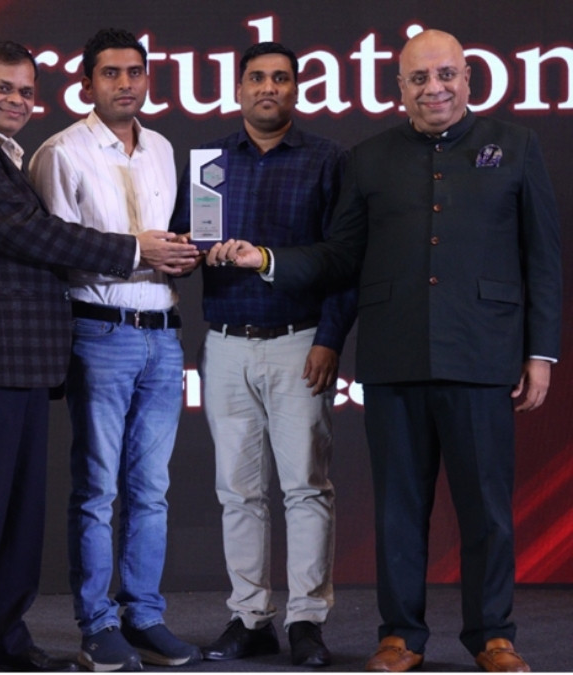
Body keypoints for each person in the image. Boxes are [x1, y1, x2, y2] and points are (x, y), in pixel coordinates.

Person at [208, 29, 561, 674]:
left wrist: (541, 353)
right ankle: (401, 636)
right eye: (420, 78)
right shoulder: (369, 158)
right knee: (399, 509)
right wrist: (267, 259)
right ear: (400, 88)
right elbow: (339, 257)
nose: (435, 88)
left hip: (483, 356)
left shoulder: (514, 145)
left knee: (486, 510)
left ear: (468, 78)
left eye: (446, 75)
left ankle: (493, 636)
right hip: (394, 357)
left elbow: (542, 256)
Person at [0, 40, 196, 672]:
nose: (16, 100)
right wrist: (135, 251)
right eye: (3, 88)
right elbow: (30, 234)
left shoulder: (5, 153)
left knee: (18, 513)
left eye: (25, 91)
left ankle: (5, 638)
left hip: (21, 358)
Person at [168, 42, 356, 668]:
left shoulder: (328, 160)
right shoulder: (209, 161)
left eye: (280, 78)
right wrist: (194, 252)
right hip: (224, 343)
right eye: (257, 78)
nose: (268, 87)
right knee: (238, 492)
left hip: (300, 341)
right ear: (239, 89)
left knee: (306, 487)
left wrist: (330, 339)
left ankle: (306, 620)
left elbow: (345, 260)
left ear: (296, 89)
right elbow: (184, 243)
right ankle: (249, 617)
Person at [28, 28, 199, 672]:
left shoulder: (162, 148)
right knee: (98, 488)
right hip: (99, 333)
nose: (125, 83)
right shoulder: (60, 152)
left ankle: (144, 617)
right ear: (86, 84)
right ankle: (97, 625)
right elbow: (52, 248)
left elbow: (161, 239)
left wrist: (178, 256)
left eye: (135, 72)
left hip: (164, 334)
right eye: (110, 73)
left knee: (151, 489)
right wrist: (136, 253)